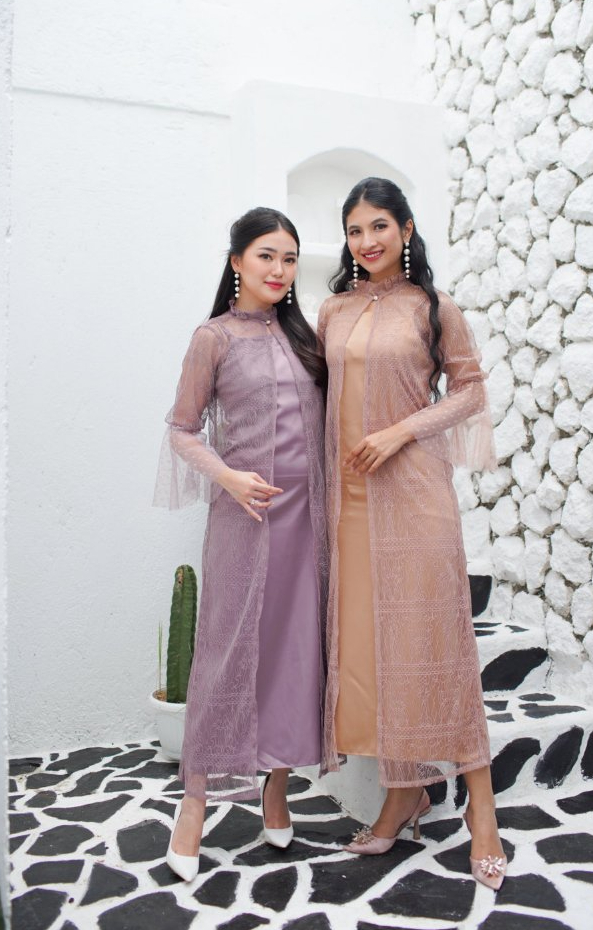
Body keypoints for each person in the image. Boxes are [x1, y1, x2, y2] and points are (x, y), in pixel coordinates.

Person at [316, 177, 508, 890]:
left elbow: (471, 390)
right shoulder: (333, 309)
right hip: (350, 504)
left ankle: (481, 810)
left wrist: (400, 431)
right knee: (373, 653)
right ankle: (404, 794)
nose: (367, 241)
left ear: (406, 229)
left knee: (438, 646)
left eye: (379, 226)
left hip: (416, 496)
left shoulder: (434, 307)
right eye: (355, 230)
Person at [153, 207, 328, 882]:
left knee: (293, 655)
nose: (279, 270)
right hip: (243, 523)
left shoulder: (304, 337)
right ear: (236, 262)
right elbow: (181, 428)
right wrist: (227, 476)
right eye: (266, 256)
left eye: (289, 258)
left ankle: (276, 795)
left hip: (307, 524)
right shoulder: (213, 337)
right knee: (224, 656)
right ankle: (194, 807)